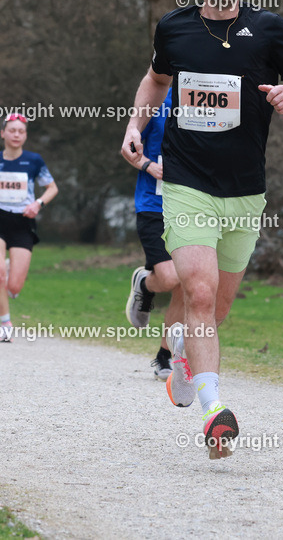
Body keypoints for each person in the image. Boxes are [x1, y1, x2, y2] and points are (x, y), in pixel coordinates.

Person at [120, 0, 283, 458]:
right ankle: (216, 411)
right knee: (201, 294)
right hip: (187, 184)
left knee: (219, 307)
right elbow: (155, 80)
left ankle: (186, 359)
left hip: (245, 192)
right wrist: (135, 125)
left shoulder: (270, 29)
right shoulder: (175, 28)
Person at [0, 113, 57, 342]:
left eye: (21, 131)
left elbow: (52, 188)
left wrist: (38, 203)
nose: (16, 135)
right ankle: (6, 324)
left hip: (23, 222)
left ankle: (9, 269)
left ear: (25, 135)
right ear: (3, 133)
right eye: (12, 130)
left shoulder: (34, 160)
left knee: (14, 287)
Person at [122, 89, 185, 379]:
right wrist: (148, 165)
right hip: (153, 206)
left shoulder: (211, 101)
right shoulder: (157, 99)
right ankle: (146, 284)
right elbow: (129, 149)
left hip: (191, 208)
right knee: (171, 277)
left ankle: (165, 356)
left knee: (187, 283)